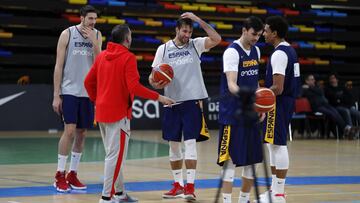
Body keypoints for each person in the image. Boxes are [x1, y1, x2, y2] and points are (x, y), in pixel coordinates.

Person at [84, 24, 175, 203]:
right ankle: (106, 197)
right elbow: (133, 87)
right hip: (118, 114)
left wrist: (98, 100)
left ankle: (119, 193)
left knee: (113, 155)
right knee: (114, 157)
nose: (131, 38)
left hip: (102, 113)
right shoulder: (128, 58)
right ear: (127, 39)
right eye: (131, 35)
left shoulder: (102, 56)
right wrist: (159, 98)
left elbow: (88, 82)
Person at [149, 12, 221, 200]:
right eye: (184, 31)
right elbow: (152, 77)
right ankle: (177, 185)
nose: (187, 35)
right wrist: (155, 83)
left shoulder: (196, 45)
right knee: (173, 147)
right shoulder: (163, 49)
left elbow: (217, 38)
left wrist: (198, 20)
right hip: (171, 103)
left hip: (192, 102)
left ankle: (190, 187)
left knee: (190, 144)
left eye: (189, 31)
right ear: (176, 29)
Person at [52, 5, 102, 192]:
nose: (93, 22)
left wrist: (94, 44)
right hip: (69, 90)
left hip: (88, 92)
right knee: (70, 131)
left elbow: (100, 64)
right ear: (81, 18)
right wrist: (57, 95)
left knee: (82, 133)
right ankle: (59, 174)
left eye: (95, 19)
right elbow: (58, 66)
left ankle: (72, 174)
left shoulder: (97, 35)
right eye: (90, 18)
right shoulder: (67, 34)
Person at [217, 16, 265, 203]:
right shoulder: (232, 52)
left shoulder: (257, 51)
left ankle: (244, 199)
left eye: (259, 35)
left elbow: (254, 82)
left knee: (253, 161)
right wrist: (251, 101)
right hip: (232, 114)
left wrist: (259, 105)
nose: (256, 38)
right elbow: (231, 84)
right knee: (229, 162)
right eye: (254, 34)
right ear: (244, 30)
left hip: (250, 113)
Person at [258, 16, 301, 203]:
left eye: (266, 30)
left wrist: (257, 96)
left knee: (278, 145)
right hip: (284, 102)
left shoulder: (279, 54)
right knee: (272, 145)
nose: (264, 33)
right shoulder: (290, 51)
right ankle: (274, 190)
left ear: (274, 33)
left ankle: (279, 193)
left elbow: (278, 87)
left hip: (279, 103)